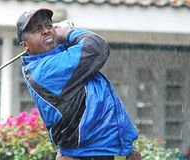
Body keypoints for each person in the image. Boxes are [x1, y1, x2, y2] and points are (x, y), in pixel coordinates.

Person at [16, 8, 141, 160]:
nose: (46, 31)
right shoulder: (46, 70)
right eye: (37, 29)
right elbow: (97, 46)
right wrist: (65, 33)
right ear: (25, 45)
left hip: (107, 149)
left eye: (49, 26)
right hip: (90, 154)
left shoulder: (57, 57)